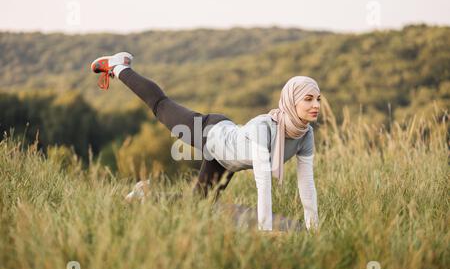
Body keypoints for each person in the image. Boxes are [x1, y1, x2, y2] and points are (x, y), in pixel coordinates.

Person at [91, 52, 320, 231]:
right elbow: (263, 184)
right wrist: (265, 230)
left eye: (318, 99)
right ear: (291, 100)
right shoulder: (265, 128)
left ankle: (145, 196)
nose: (316, 105)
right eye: (308, 99)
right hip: (212, 132)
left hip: (226, 159)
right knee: (161, 106)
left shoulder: (304, 134)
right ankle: (119, 66)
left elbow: (307, 185)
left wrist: (314, 230)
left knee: (199, 205)